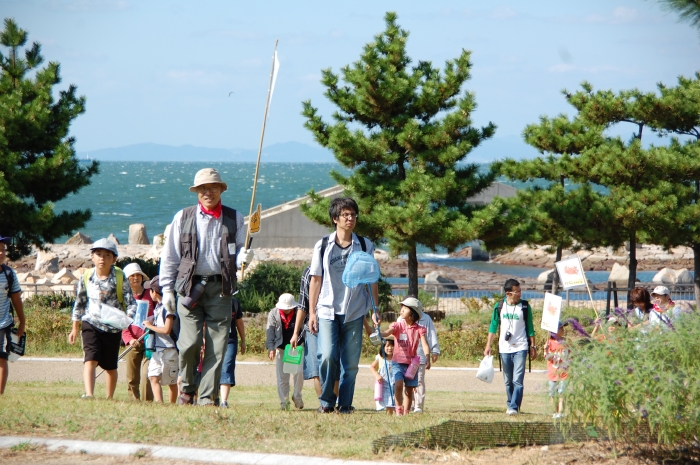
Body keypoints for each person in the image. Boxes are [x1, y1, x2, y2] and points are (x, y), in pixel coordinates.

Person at [159, 168, 253, 406]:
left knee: (218, 346)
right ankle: (188, 388)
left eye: (212, 187)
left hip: (221, 288)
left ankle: (207, 397)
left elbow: (241, 249)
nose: (207, 192)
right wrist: (167, 289)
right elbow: (170, 256)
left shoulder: (235, 218)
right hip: (189, 287)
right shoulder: (182, 217)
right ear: (196, 192)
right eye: (202, 189)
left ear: (221, 190)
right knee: (189, 343)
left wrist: (245, 257)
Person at [307, 197, 379, 414]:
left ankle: (345, 404)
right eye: (345, 215)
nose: (350, 218)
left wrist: (375, 310)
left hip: (355, 311)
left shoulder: (365, 245)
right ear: (335, 219)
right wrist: (312, 312)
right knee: (327, 356)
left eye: (353, 214)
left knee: (350, 364)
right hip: (327, 310)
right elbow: (316, 279)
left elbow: (372, 279)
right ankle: (327, 401)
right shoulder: (322, 246)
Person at [69, 238, 137, 399]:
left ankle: (109, 398)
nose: (102, 258)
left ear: (114, 259)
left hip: (112, 327)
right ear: (92, 257)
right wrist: (75, 327)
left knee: (110, 367)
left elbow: (131, 302)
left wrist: (127, 319)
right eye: (98, 254)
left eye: (107, 255)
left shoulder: (120, 276)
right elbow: (79, 302)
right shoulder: (87, 276)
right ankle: (89, 394)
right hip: (90, 323)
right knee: (90, 359)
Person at [483, 278, 537, 416]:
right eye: (516, 291)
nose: (520, 293)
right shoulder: (499, 306)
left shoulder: (525, 306)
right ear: (508, 293)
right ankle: (511, 404)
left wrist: (533, 346)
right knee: (508, 381)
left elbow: (530, 327)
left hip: (521, 347)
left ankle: (513, 407)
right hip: (504, 348)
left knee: (517, 380)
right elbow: (493, 326)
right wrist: (488, 345)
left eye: (520, 290)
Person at [379, 297, 430, 416]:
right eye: (402, 307)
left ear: (412, 313)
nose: (401, 309)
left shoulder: (419, 329)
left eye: (405, 308)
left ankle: (406, 412)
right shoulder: (398, 326)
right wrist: (380, 332)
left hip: (412, 364)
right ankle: (398, 410)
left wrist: (427, 357)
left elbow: (425, 344)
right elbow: (387, 332)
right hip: (397, 362)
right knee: (398, 384)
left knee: (409, 389)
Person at [121, 262, 155, 401]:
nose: (136, 278)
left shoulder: (150, 293)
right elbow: (122, 322)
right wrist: (129, 339)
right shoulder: (123, 297)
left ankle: (148, 402)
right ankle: (134, 401)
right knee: (132, 377)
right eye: (132, 276)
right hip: (132, 342)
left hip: (149, 339)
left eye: (138, 275)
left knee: (148, 374)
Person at [397, 306, 440, 413]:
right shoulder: (400, 319)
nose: (402, 310)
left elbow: (431, 334)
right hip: (404, 357)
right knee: (406, 382)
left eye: (405, 307)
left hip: (419, 356)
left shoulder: (426, 319)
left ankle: (418, 405)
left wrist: (434, 350)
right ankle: (408, 404)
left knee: (419, 381)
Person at [142, 276, 178, 403]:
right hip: (157, 350)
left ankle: (172, 404)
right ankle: (159, 403)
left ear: (154, 292)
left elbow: (166, 330)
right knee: (153, 376)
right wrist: (150, 321)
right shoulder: (158, 307)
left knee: (171, 381)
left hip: (169, 350)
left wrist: (151, 326)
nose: (149, 293)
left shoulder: (168, 307)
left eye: (150, 290)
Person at [266, 293, 304, 410]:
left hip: (297, 348)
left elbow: (305, 329)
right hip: (281, 348)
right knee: (282, 377)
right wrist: (271, 347)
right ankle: (284, 402)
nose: (286, 310)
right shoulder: (273, 313)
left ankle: (297, 396)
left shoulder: (299, 312)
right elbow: (270, 331)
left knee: (299, 373)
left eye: (288, 308)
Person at [0, 235, 26, 395]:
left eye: (2, 250)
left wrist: (22, 321)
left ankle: (0, 394)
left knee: (2, 358)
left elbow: (16, 299)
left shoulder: (9, 274)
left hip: (3, 324)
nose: (1, 253)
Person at [219, 296, 245, 408]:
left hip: (230, 341)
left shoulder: (234, 302)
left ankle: (224, 401)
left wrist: (243, 340)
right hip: (213, 341)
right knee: (213, 369)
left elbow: (239, 322)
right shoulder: (211, 299)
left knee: (227, 367)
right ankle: (211, 398)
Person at [544, 322, 569, 419]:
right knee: (552, 393)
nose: (563, 329)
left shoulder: (567, 342)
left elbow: (571, 355)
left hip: (564, 372)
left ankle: (561, 412)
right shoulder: (549, 343)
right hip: (553, 373)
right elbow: (548, 357)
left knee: (562, 392)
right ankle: (555, 411)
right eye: (561, 328)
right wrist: (546, 350)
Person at [369, 336, 395, 414]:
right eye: (387, 346)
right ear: (383, 347)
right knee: (387, 403)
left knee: (392, 403)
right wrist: (377, 375)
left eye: (392, 346)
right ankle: (389, 417)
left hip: (394, 384)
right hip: (383, 385)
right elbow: (372, 367)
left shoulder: (397, 358)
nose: (390, 348)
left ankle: (391, 417)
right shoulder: (380, 358)